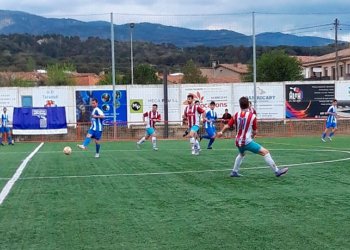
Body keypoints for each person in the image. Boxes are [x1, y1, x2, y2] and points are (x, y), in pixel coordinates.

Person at [217, 96, 288, 178]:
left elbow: (227, 126)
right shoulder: (252, 116)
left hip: (238, 141)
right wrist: (253, 136)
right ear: (248, 105)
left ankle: (234, 172)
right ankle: (277, 171)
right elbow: (255, 131)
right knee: (265, 152)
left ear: (240, 105)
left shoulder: (236, 115)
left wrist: (221, 132)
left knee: (241, 154)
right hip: (247, 142)